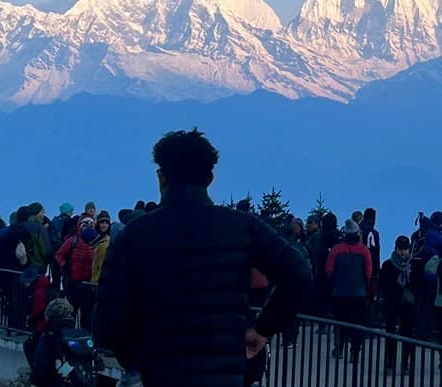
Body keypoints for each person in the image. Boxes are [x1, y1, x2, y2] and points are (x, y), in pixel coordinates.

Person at [95, 129, 311, 387]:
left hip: (160, 371)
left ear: (161, 176)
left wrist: (135, 358)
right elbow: (299, 273)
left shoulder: (133, 236)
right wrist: (263, 328)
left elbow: (107, 320)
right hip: (224, 373)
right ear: (210, 178)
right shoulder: (242, 227)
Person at [325, 219, 372, 363]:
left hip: (339, 292)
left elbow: (329, 271)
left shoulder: (336, 250)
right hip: (359, 293)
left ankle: (339, 348)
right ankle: (355, 351)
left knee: (340, 322)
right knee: (357, 323)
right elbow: (368, 272)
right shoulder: (364, 250)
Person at [378, 236, 419, 376]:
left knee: (408, 335)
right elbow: (382, 284)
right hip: (392, 303)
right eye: (400, 249)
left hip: (408, 305)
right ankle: (390, 363)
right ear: (395, 248)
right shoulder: (387, 265)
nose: (402, 252)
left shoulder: (413, 265)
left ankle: (405, 364)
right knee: (391, 335)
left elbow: (417, 285)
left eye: (405, 249)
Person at [54, 216, 97, 328]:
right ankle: (69, 332)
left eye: (91, 225)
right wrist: (65, 266)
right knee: (71, 309)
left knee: (87, 311)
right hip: (73, 281)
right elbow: (59, 255)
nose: (88, 227)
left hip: (88, 282)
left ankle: (85, 333)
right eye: (85, 225)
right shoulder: (73, 240)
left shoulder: (95, 241)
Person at [90, 212, 112, 284]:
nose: (104, 225)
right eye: (102, 223)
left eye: (106, 223)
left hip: (100, 280)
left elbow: (101, 264)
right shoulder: (94, 239)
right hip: (91, 277)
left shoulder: (107, 241)